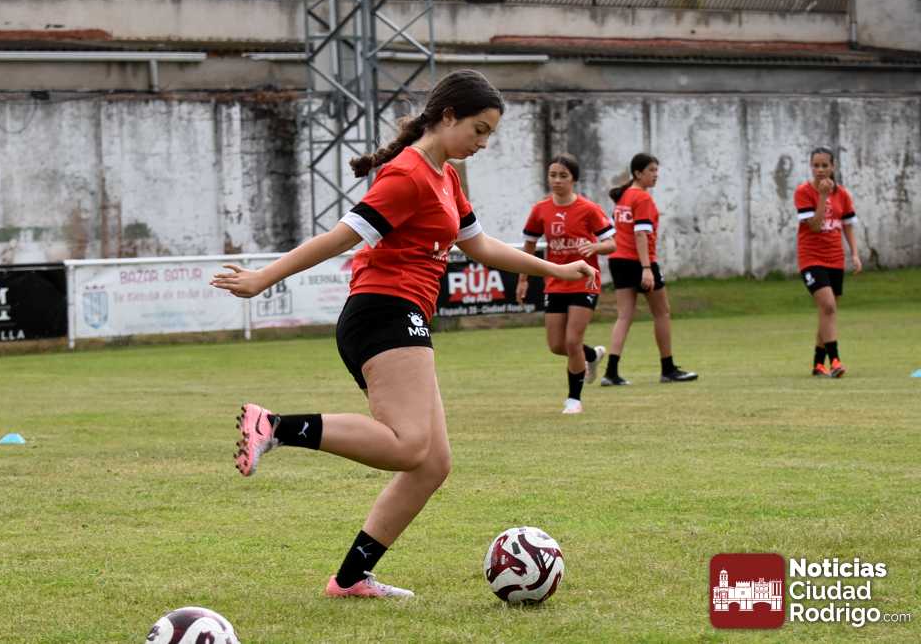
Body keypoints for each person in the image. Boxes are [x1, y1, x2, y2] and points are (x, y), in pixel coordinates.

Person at [210, 70, 598, 599]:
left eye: (489, 134)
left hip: (401, 313)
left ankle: (350, 579)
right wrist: (263, 278)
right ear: (448, 116)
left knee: (432, 464)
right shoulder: (408, 175)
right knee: (410, 445)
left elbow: (481, 246)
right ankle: (276, 427)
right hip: (383, 310)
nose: (483, 144)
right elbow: (339, 238)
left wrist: (557, 269)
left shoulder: (446, 177)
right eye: (479, 130)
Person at [516, 153, 616, 414]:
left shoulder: (588, 209)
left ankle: (574, 399)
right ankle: (591, 355)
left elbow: (612, 243)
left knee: (572, 342)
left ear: (574, 179)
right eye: (553, 175)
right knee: (557, 346)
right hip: (556, 282)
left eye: (563, 175)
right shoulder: (540, 210)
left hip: (585, 281)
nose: (557, 180)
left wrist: (594, 246)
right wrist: (523, 279)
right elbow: (529, 245)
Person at [601, 153, 697, 386]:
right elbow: (641, 234)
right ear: (637, 173)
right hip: (638, 260)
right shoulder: (642, 197)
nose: (656, 175)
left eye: (656, 170)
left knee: (624, 316)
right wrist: (646, 268)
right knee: (662, 313)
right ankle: (668, 369)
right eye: (651, 170)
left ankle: (611, 372)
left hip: (618, 259)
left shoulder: (624, 196)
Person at [795, 147, 862, 378]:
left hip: (835, 259)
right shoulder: (803, 192)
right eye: (816, 165)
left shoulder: (843, 194)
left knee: (827, 312)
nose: (820, 170)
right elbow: (814, 226)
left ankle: (818, 364)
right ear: (811, 167)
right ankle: (835, 361)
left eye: (825, 165)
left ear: (833, 167)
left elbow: (847, 225)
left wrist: (854, 254)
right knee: (829, 306)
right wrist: (823, 197)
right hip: (811, 258)